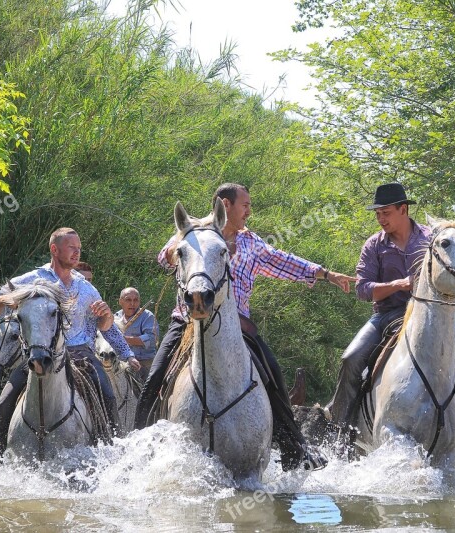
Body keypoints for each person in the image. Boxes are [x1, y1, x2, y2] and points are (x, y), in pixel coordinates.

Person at [135, 183, 355, 471]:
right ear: (225, 205)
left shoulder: (251, 243)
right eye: (246, 205)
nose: (250, 210)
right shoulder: (194, 233)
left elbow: (284, 261)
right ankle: (138, 451)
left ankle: (294, 447)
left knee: (273, 374)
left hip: (237, 325)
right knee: (155, 377)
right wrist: (176, 246)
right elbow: (165, 258)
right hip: (188, 320)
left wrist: (326, 274)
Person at [325, 183, 455, 430]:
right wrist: (399, 284)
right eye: (377, 214)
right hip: (387, 316)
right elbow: (362, 289)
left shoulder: (434, 239)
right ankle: (340, 429)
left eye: (386, 213)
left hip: (431, 317)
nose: (380, 219)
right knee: (351, 358)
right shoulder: (374, 245)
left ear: (403, 209)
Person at [0, 228, 139, 458]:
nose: (77, 253)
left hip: (81, 355)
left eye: (79, 248)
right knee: (4, 401)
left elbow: (107, 327)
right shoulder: (30, 280)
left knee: (108, 395)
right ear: (54, 249)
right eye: (71, 248)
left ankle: (112, 455)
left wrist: (126, 353)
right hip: (38, 353)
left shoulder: (86, 288)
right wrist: (7, 299)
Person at [74, 261, 140, 367]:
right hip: (64, 357)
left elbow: (111, 331)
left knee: (104, 382)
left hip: (87, 358)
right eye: (82, 279)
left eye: (89, 280)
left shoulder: (95, 303)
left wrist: (129, 356)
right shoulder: (61, 300)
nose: (87, 283)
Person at [115, 287, 158, 382]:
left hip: (143, 363)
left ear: (139, 302)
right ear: (120, 301)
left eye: (135, 300)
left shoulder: (147, 316)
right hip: (123, 363)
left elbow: (151, 339)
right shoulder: (116, 317)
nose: (132, 304)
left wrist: (123, 339)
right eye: (128, 300)